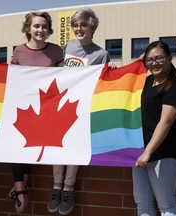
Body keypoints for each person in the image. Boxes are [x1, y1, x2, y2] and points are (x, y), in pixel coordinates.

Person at [48, 8, 116, 215]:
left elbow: (104, 82)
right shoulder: (67, 46)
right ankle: (56, 187)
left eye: (83, 25)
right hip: (60, 104)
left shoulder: (101, 53)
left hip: (81, 108)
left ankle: (68, 188)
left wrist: (112, 69)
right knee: (57, 145)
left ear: (92, 27)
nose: (78, 28)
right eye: (75, 25)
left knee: (73, 146)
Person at [7, 11, 63, 213]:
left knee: (32, 146)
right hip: (22, 107)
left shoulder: (56, 51)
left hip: (47, 109)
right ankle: (20, 188)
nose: (40, 30)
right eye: (36, 26)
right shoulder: (19, 51)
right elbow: (11, 77)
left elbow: (65, 79)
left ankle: (21, 187)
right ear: (28, 28)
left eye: (44, 26)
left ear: (49, 30)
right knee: (17, 146)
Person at [133, 40, 176, 216]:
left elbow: (165, 122)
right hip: (141, 153)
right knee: (142, 204)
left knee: (166, 206)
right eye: (150, 60)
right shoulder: (147, 82)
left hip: (165, 153)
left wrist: (147, 152)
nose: (154, 63)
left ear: (170, 58)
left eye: (159, 58)